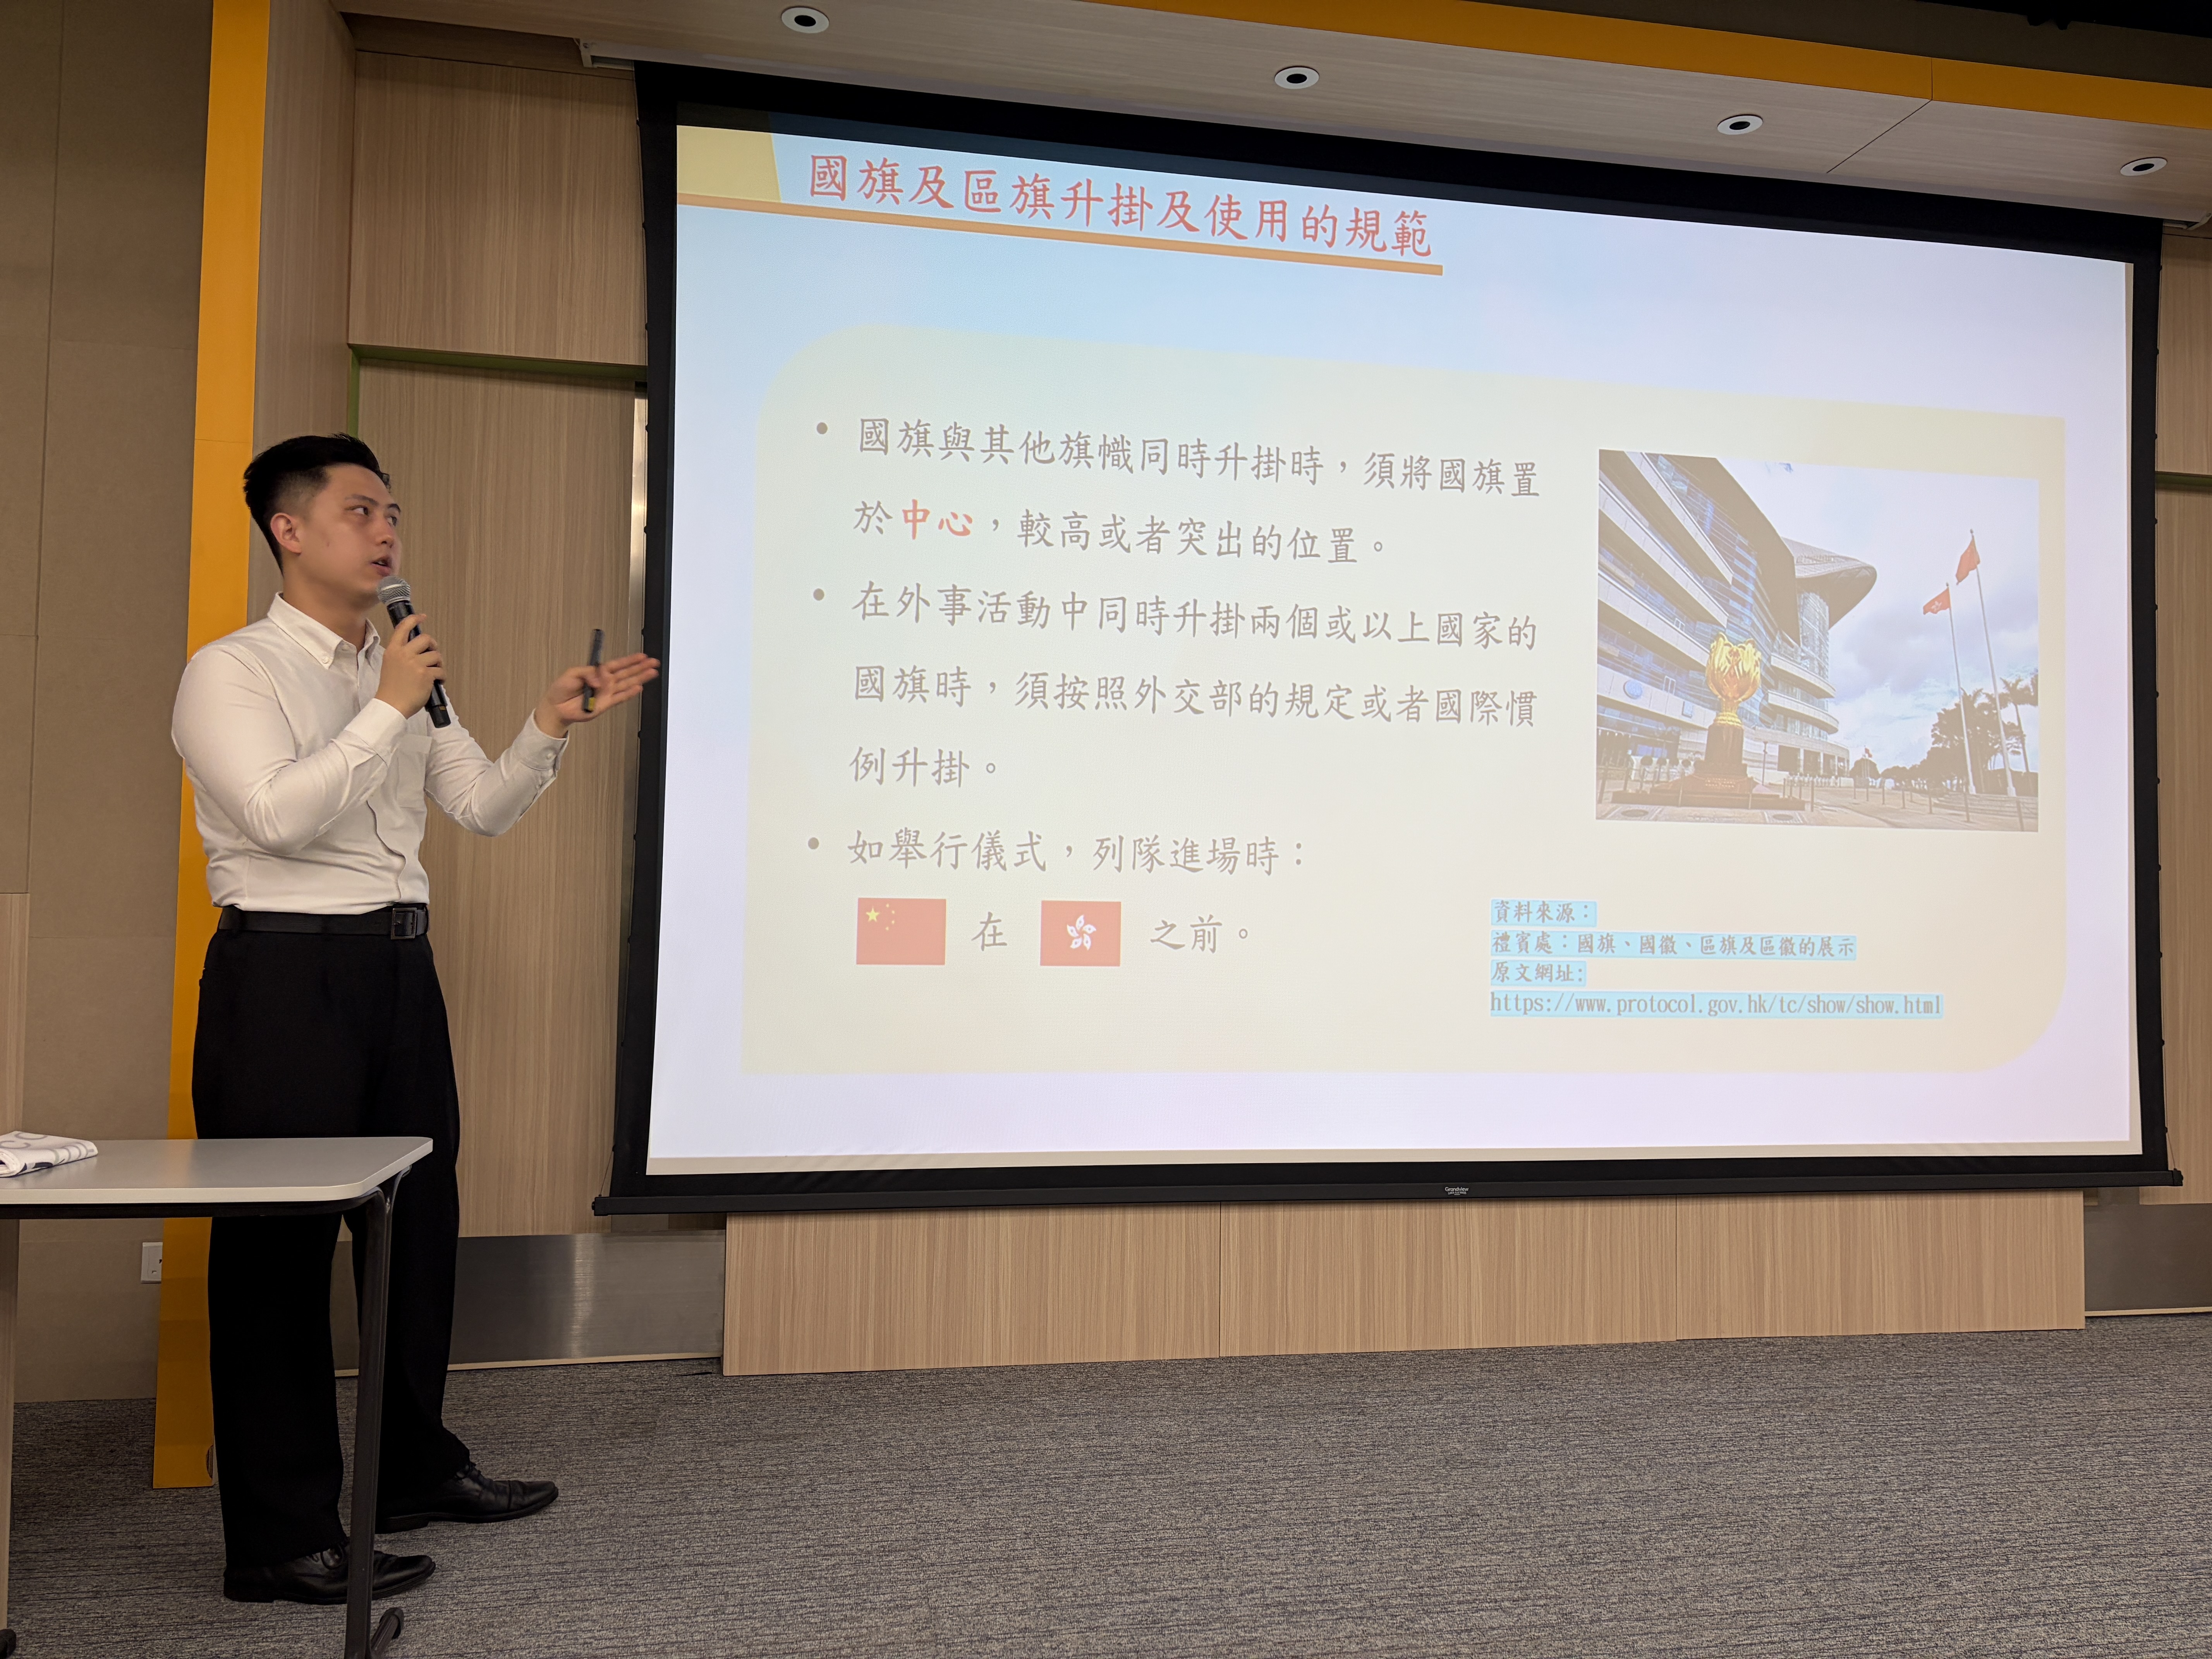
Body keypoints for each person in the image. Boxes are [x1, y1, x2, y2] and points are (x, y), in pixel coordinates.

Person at [170, 434, 658, 1606]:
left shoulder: (404, 673)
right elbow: (278, 818)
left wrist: (548, 723)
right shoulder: (231, 671)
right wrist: (387, 706)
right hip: (285, 980)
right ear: (288, 529)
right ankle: (282, 1536)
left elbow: (479, 807)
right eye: (358, 511)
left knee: (416, 1229)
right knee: (277, 1257)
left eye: (393, 511)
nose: (386, 531)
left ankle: (407, 1470)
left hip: (399, 971)